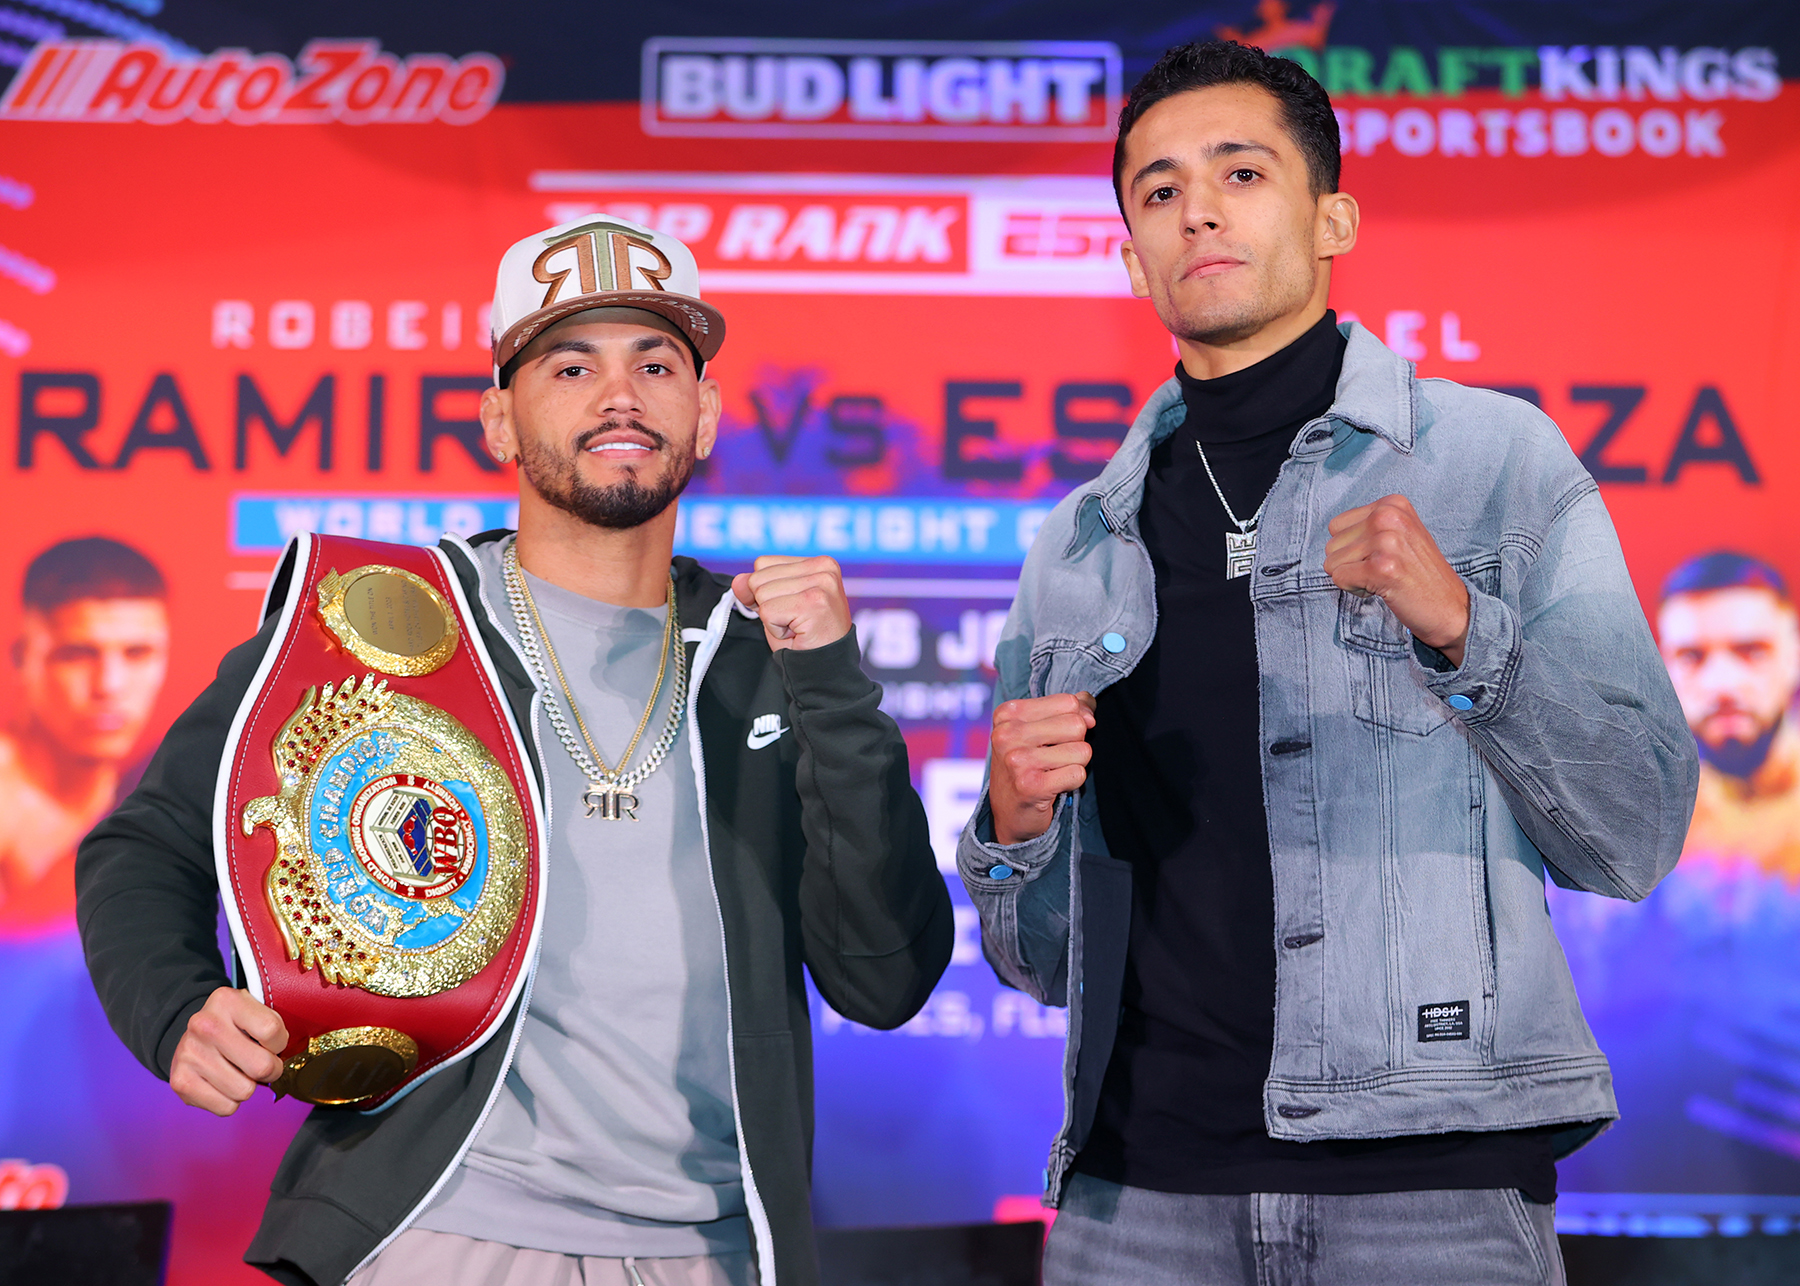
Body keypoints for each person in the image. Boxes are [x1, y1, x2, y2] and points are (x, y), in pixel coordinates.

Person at [77, 214, 952, 1286]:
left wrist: (833, 684)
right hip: (435, 1230)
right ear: (500, 418)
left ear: (706, 412)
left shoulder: (764, 655)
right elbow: (145, 839)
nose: (619, 394)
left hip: (714, 1249)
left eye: (657, 361)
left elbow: (885, 976)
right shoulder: (380, 619)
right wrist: (174, 1005)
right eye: (571, 363)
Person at [956, 39, 1697, 1285]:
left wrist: (1467, 626)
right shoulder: (1079, 542)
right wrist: (1013, 820)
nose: (1195, 207)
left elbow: (1636, 827)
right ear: (1132, 252)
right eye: (1157, 189)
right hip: (1138, 1200)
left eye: (1240, 171)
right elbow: (1036, 962)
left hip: (1431, 1192)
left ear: (1333, 215)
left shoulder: (1490, 464)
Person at [1, 536, 167, 934]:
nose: (108, 685)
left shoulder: (163, 797)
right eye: (76, 654)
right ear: (23, 659)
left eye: (137, 653)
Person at [1656, 552, 1800, 880]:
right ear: (1664, 668)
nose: (1722, 685)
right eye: (1692, 656)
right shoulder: (1634, 821)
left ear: (1794, 658)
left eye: (1752, 651)